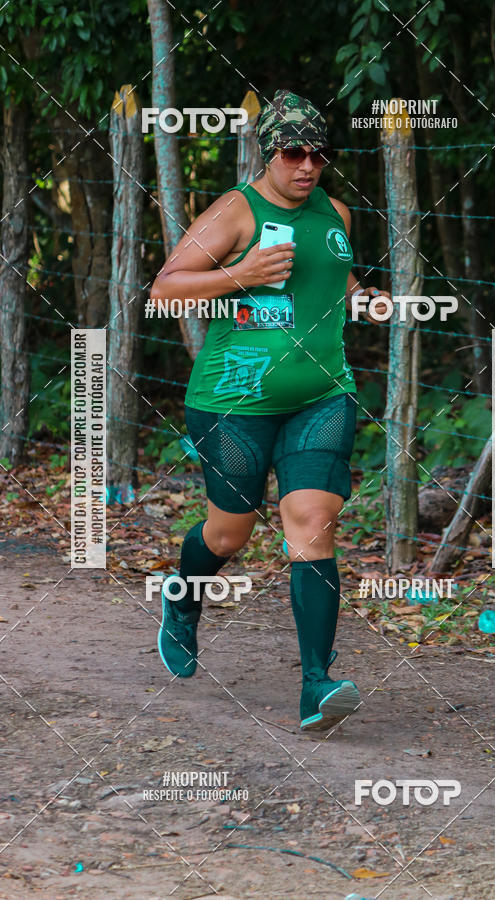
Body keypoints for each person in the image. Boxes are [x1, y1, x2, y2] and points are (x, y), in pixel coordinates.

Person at [150, 88, 389, 731]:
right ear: (269, 153)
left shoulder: (336, 212)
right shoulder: (236, 211)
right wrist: (242, 276)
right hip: (233, 403)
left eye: (319, 154)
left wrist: (364, 298)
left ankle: (316, 687)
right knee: (228, 535)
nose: (307, 166)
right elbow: (165, 289)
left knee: (311, 521)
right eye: (293, 153)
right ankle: (183, 599)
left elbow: (333, 275)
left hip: (322, 396)